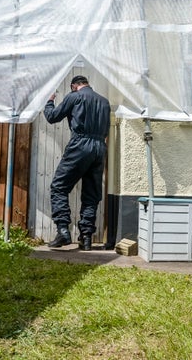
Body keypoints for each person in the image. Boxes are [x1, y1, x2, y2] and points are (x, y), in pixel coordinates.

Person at [43, 75, 111, 251]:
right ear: (87, 84)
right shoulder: (104, 102)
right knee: (91, 194)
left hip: (80, 145)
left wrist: (49, 101)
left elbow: (52, 117)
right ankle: (86, 237)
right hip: (99, 147)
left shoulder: (74, 97)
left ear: (74, 86)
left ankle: (63, 231)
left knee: (59, 187)